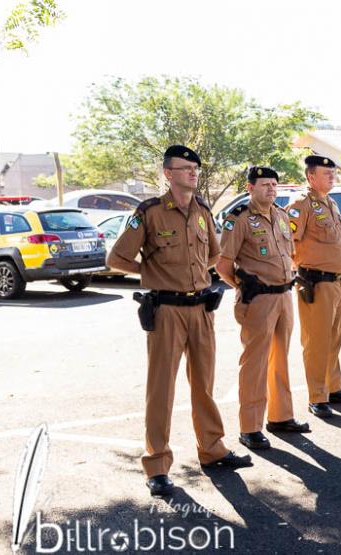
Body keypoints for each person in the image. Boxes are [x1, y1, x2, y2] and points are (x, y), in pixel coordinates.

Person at [107, 145, 251, 497]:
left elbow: (214, 254)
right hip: (166, 311)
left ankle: (212, 449)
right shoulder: (149, 212)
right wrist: (152, 273)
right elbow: (116, 258)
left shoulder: (202, 209)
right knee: (161, 389)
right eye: (185, 168)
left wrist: (198, 278)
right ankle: (156, 464)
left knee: (204, 385)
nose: (193, 173)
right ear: (168, 173)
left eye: (196, 168)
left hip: (201, 309)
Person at [216, 166, 310, 452]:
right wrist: (243, 287)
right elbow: (222, 265)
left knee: (279, 359)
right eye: (264, 184)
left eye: (274, 184)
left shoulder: (281, 216)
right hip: (258, 300)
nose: (270, 189)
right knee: (255, 364)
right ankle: (250, 427)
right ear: (250, 188)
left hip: (283, 296)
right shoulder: (240, 219)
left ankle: (280, 417)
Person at [285, 155, 341, 419]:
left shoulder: (331, 203)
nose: (332, 177)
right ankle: (317, 396)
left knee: (334, 338)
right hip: (316, 282)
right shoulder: (300, 205)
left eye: (333, 173)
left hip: (338, 281)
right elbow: (288, 243)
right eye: (326, 173)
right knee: (316, 341)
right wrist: (302, 268)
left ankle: (333, 386)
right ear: (310, 177)